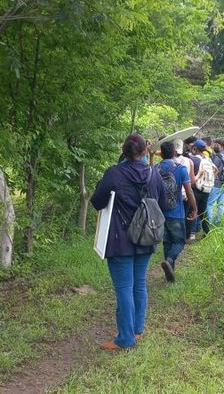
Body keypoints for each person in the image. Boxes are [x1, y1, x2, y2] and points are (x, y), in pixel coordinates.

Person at [90, 134, 166, 351]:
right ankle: (136, 330)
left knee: (124, 288)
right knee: (139, 284)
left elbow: (97, 202)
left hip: (119, 240)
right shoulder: (154, 173)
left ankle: (125, 338)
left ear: (123, 151)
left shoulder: (114, 173)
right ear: (144, 152)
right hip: (146, 237)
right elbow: (162, 202)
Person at [156, 141, 197, 282]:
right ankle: (170, 260)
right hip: (176, 212)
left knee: (167, 241)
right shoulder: (180, 169)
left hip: (160, 212)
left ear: (161, 154)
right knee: (179, 241)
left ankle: (170, 274)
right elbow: (189, 190)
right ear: (174, 153)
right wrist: (194, 208)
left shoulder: (155, 168)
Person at [191, 139, 217, 237]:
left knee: (193, 210)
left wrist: (199, 178)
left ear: (195, 148)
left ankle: (191, 235)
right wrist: (209, 180)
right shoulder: (208, 159)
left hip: (197, 189)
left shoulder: (194, 159)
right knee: (203, 212)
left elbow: (192, 177)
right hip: (207, 189)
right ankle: (207, 232)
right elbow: (216, 170)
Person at [207, 138, 224, 226]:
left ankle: (209, 223)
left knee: (209, 204)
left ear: (222, 147)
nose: (215, 146)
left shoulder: (217, 157)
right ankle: (218, 222)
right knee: (220, 204)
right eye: (215, 144)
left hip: (217, 183)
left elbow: (214, 170)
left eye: (217, 145)